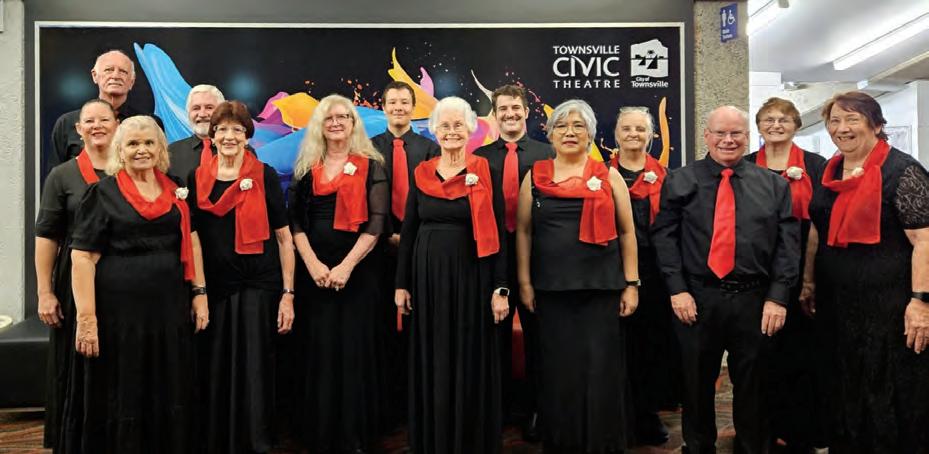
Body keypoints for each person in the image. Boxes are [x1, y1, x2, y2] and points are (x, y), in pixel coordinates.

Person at [651, 106, 800, 454]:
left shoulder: (774, 185)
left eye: (736, 133)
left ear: (748, 136)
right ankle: (698, 446)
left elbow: (787, 246)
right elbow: (665, 239)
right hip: (697, 299)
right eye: (720, 133)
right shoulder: (680, 181)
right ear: (707, 136)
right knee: (696, 383)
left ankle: (751, 447)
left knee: (754, 385)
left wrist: (778, 297)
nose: (728, 140)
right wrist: (677, 290)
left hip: (755, 300)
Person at [62, 115, 208, 453]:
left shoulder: (175, 188)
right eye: (133, 143)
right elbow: (82, 258)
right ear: (120, 150)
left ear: (160, 149)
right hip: (119, 317)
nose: (142, 150)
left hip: (169, 312)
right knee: (124, 385)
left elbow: (192, 241)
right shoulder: (102, 194)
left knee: (167, 384)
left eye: (148, 143)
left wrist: (199, 292)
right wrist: (87, 319)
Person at [807, 91, 929, 453]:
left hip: (890, 305)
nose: (841, 128)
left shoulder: (903, 172)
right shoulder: (829, 172)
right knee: (845, 382)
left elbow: (925, 241)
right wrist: (808, 281)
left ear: (876, 125)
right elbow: (817, 229)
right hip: (838, 303)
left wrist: (921, 302)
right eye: (834, 121)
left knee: (889, 386)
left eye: (852, 119)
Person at [515, 99, 639, 453]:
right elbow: (523, 231)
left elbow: (627, 232)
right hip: (552, 291)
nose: (570, 132)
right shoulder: (535, 176)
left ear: (590, 134)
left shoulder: (608, 175)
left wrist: (632, 284)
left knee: (601, 372)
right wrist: (524, 282)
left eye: (578, 126)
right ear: (550, 133)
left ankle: (602, 444)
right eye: (562, 126)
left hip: (601, 291)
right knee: (559, 372)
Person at [395, 96, 509, 454]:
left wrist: (500, 288)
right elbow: (409, 231)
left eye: (458, 124)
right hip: (428, 277)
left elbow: (500, 232)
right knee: (433, 353)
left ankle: (469, 439)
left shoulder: (485, 170)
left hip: (473, 275)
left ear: (470, 128)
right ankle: (435, 438)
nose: (451, 131)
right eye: (444, 125)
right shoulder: (422, 172)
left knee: (470, 353)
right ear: (434, 131)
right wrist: (401, 284)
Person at [185, 101, 295, 453]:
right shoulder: (195, 180)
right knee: (215, 365)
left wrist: (288, 294)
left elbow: (284, 238)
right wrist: (199, 291)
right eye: (222, 129)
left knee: (256, 367)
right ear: (212, 136)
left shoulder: (264, 175)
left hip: (259, 285)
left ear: (247, 136)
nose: (229, 136)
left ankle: (256, 442)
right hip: (216, 287)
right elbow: (193, 240)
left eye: (237, 129)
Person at [288, 94, 388, 454]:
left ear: (353, 123)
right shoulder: (306, 168)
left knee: (352, 351)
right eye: (329, 118)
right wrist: (313, 264)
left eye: (343, 117)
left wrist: (346, 266)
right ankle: (319, 433)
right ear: (320, 124)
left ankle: (353, 435)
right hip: (314, 274)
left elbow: (377, 223)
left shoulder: (372, 166)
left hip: (357, 274)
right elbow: (295, 222)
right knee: (318, 350)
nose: (336, 123)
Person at [744, 97, 827, 452]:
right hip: (759, 271)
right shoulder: (745, 165)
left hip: (806, 266)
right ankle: (763, 431)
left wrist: (810, 279)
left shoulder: (817, 166)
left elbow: (823, 223)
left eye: (784, 119)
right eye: (768, 119)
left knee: (803, 353)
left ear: (797, 125)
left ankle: (801, 433)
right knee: (762, 355)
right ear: (759, 126)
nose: (776, 125)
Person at [35, 99, 116, 451]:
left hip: (121, 283)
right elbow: (46, 236)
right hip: (74, 282)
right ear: (79, 130)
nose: (97, 126)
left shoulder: (129, 170)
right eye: (89, 121)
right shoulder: (62, 176)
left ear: (117, 125)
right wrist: (44, 292)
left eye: (104, 120)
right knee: (80, 358)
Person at [473, 84, 553, 440]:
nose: (510, 114)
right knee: (493, 338)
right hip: (491, 257)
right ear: (495, 113)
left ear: (526, 111)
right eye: (503, 108)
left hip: (536, 256)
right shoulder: (479, 157)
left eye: (515, 108)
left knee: (538, 337)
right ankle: (500, 407)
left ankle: (535, 409)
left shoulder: (547, 154)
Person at [607, 106, 681, 446]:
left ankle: (647, 413)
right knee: (616, 346)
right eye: (627, 128)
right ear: (616, 134)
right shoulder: (600, 174)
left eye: (640, 129)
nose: (633, 134)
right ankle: (617, 414)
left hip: (654, 271)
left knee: (650, 345)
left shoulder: (668, 177)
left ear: (651, 135)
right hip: (610, 269)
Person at [369, 81, 439, 430]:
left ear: (414, 107)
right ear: (383, 107)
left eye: (404, 102)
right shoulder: (368, 148)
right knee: (380, 327)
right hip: (376, 249)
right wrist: (387, 234)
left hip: (419, 248)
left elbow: (434, 198)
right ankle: (385, 404)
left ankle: (417, 403)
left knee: (418, 326)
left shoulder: (430, 148)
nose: (398, 107)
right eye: (392, 102)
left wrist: (407, 237)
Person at [46, 50, 160, 182]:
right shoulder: (67, 122)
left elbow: (159, 172)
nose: (115, 76)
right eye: (109, 70)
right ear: (95, 76)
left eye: (123, 71)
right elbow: (55, 180)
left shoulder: (149, 123)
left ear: (132, 81)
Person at [168, 84, 226, 183]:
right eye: (196, 108)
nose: (202, 114)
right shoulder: (170, 152)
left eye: (209, 107)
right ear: (188, 113)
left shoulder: (241, 151)